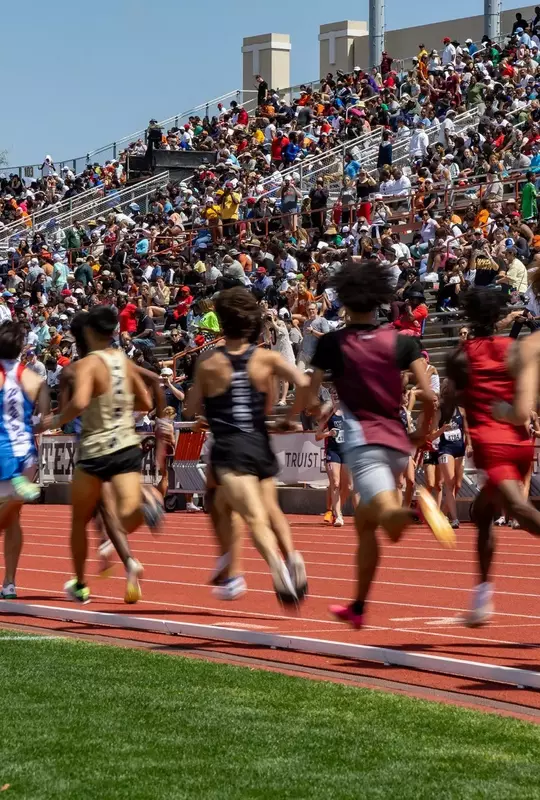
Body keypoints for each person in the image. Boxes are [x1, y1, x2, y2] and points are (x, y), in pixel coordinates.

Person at [308, 261, 454, 630]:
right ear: (380, 299)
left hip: (363, 440)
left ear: (344, 300)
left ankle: (417, 503)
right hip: (397, 439)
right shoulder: (403, 341)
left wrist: (303, 412)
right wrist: (421, 432)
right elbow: (430, 396)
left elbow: (308, 391)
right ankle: (357, 605)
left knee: (390, 519)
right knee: (367, 527)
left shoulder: (333, 342)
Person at [185, 287, 309, 605]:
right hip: (259, 442)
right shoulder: (265, 357)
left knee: (251, 517)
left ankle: (276, 569)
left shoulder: (208, 361)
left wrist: (206, 412)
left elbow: (190, 406)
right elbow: (304, 383)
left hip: (229, 447)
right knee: (271, 510)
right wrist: (290, 416)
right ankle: (293, 557)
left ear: (222, 324)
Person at [37, 306, 162, 604]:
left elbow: (79, 402)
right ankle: (147, 502)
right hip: (127, 446)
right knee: (126, 516)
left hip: (95, 449)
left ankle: (80, 584)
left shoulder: (89, 364)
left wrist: (55, 421)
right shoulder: (122, 359)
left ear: (90, 334)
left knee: (79, 521)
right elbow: (145, 401)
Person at [446, 288, 540, 626]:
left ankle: (483, 598)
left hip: (491, 441)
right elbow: (526, 394)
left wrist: (432, 429)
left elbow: (447, 399)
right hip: (520, 441)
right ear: (499, 316)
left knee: (517, 507)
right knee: (483, 512)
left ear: (468, 316)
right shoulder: (515, 350)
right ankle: (482, 598)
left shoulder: (460, 355)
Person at [0, 321, 50, 599]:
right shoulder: (35, 380)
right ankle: (9, 582)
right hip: (26, 457)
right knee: (13, 519)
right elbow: (45, 420)